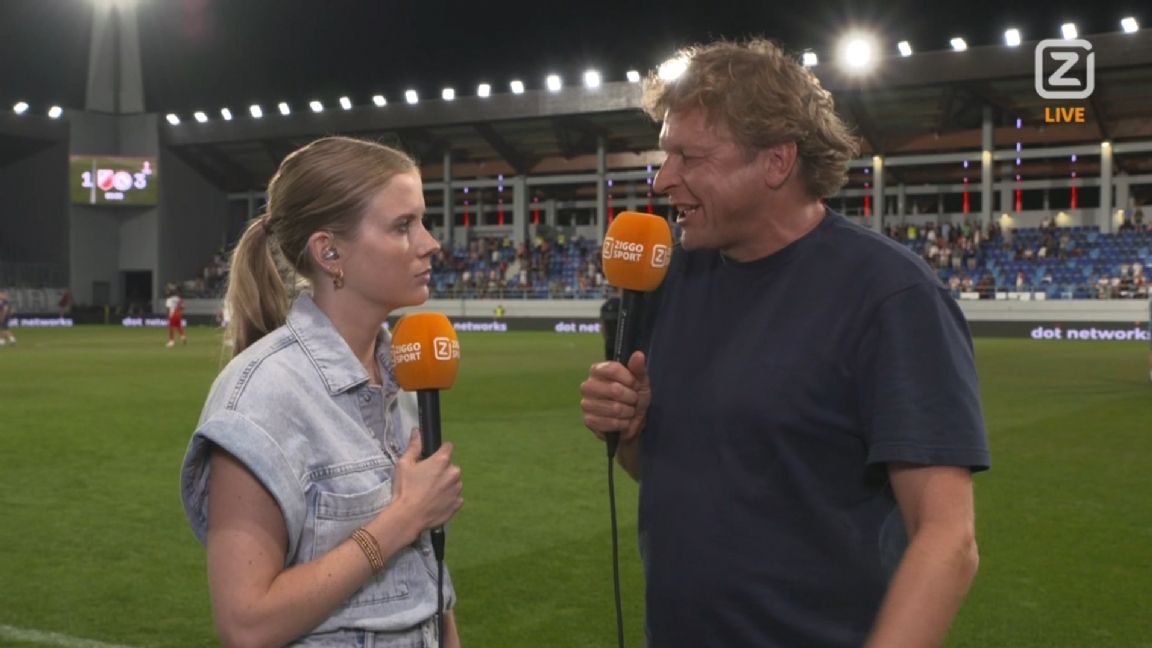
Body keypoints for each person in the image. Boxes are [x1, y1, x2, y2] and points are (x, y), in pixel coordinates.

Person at [578, 40, 989, 647]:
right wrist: (630, 431)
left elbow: (948, 538)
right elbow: (666, 475)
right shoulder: (665, 278)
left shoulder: (889, 295)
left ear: (776, 162)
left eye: (690, 157)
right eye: (666, 155)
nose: (663, 181)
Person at [180, 136, 464, 647]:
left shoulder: (401, 376)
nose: (430, 243)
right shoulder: (263, 394)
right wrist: (401, 520)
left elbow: (428, 590)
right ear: (329, 251)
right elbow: (246, 625)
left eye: (422, 221)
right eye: (403, 226)